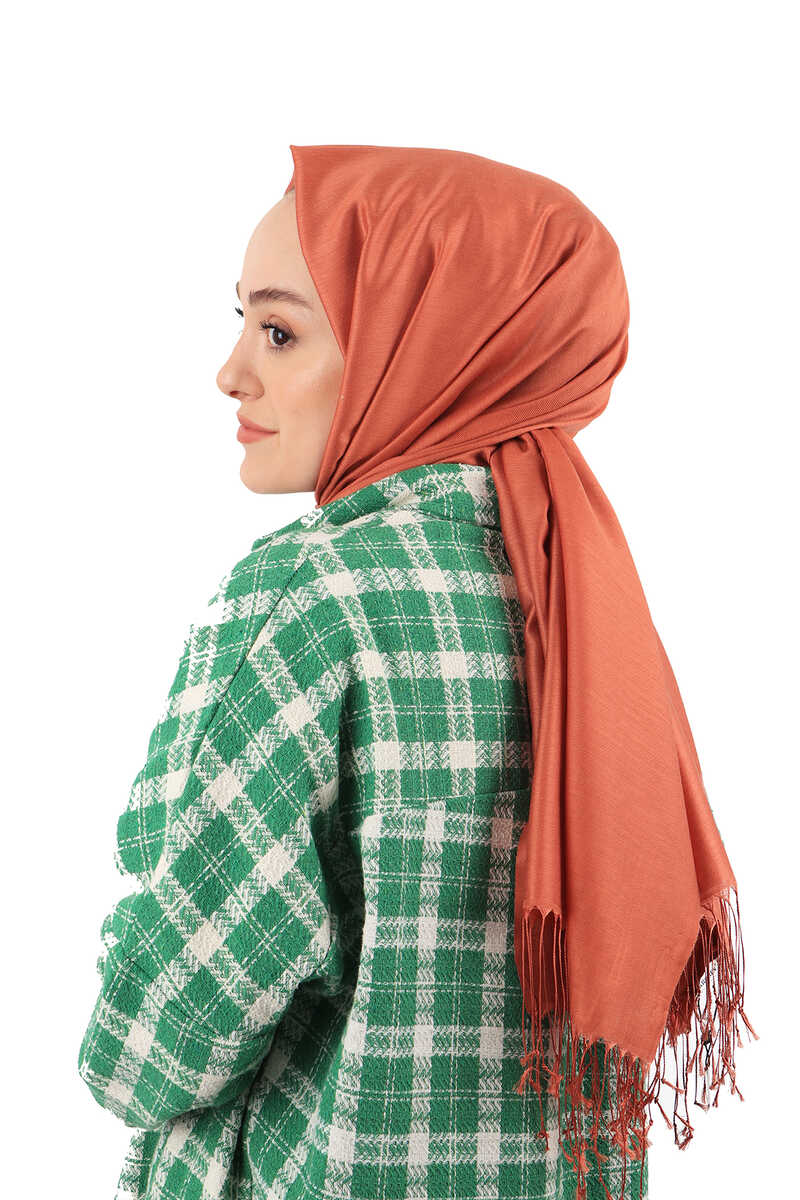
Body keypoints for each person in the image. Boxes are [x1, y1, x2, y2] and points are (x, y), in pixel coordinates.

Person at [77, 144, 755, 1200]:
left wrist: (116, 1012)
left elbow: (161, 1034)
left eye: (278, 331)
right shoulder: (586, 606)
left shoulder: (312, 594)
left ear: (421, 343)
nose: (231, 372)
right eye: (243, 321)